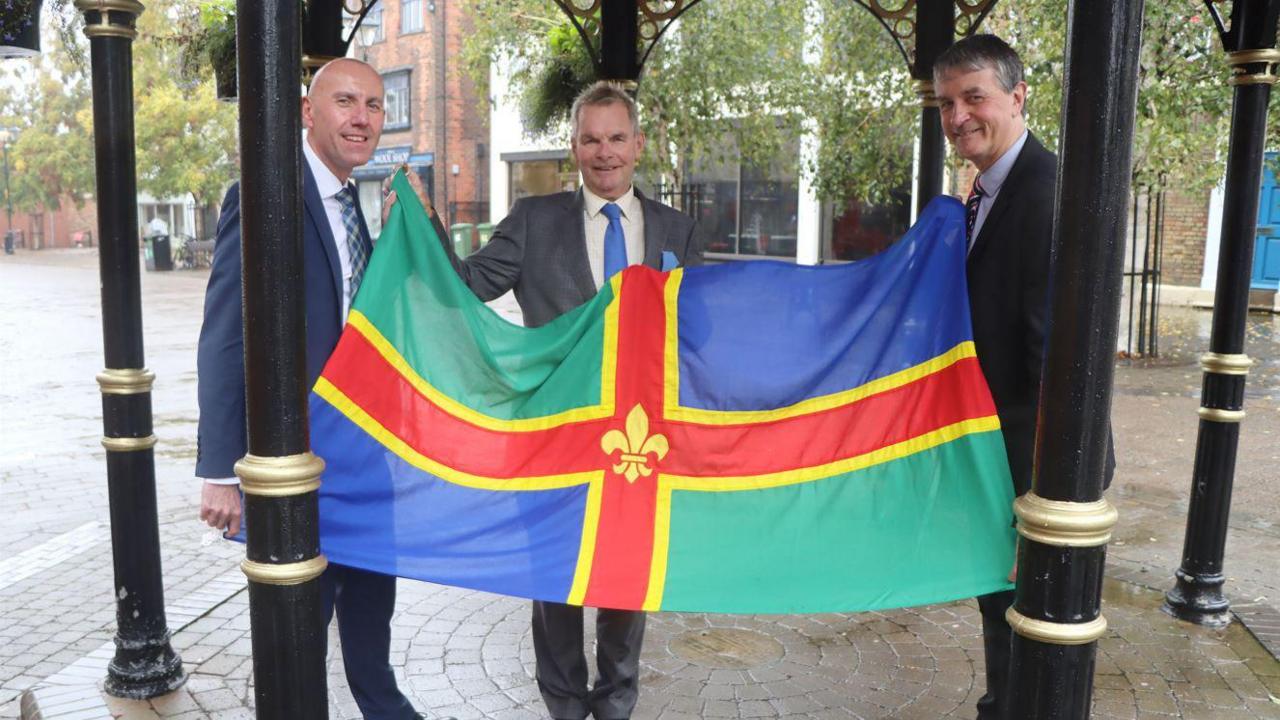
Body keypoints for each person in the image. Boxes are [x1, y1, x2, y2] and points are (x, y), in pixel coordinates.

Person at [394, 80, 702, 720]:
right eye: (591, 139)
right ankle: (563, 704)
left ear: (638, 144)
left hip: (639, 442)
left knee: (626, 574)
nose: (605, 152)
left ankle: (617, 702)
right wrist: (423, 224)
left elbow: (700, 327)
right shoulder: (536, 220)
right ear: (574, 148)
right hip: (556, 433)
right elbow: (468, 286)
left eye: (617, 138)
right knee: (556, 580)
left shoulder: (677, 228)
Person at [194, 58, 448, 720]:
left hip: (366, 469)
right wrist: (220, 470)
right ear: (308, 112)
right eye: (344, 102)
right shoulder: (264, 194)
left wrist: (415, 236)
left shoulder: (356, 203)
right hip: (301, 474)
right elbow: (225, 336)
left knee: (372, 635)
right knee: (299, 645)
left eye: (371, 104)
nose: (361, 117)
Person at [934, 34, 1052, 720]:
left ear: (1017, 95)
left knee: (1032, 634)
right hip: (993, 460)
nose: (957, 117)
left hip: (1031, 475)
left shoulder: (1044, 193)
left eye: (973, 97)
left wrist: (1032, 504)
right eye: (947, 102)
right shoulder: (984, 192)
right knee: (1002, 624)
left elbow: (1052, 358)